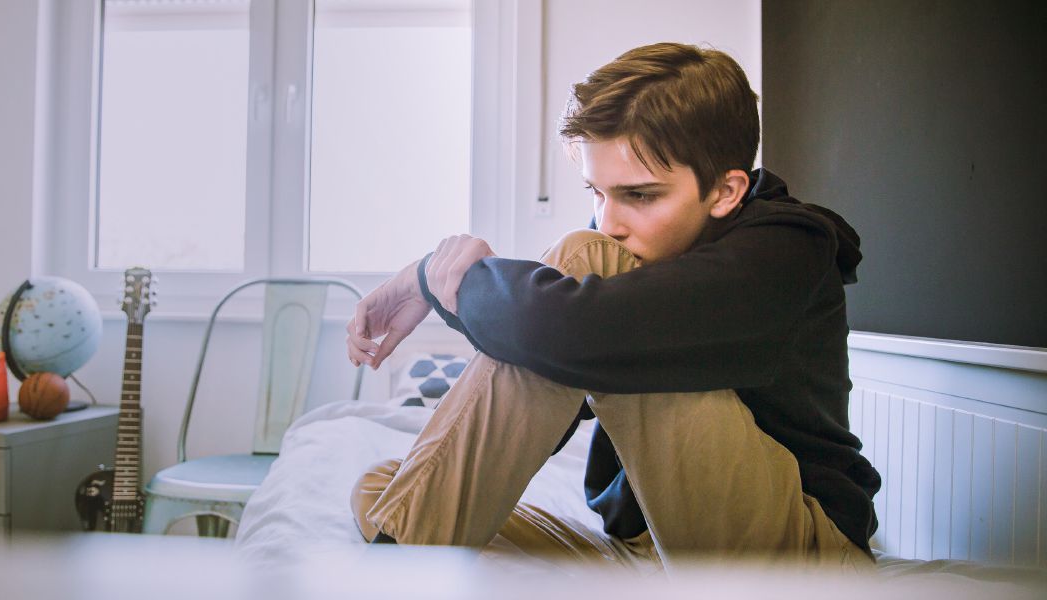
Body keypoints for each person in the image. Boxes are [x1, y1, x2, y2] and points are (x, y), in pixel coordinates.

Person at [343, 42, 880, 571]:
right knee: (384, 486)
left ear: (726, 191)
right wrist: (434, 280)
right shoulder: (645, 267)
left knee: (584, 257)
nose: (610, 221)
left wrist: (439, 283)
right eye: (596, 192)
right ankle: (411, 545)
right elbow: (539, 401)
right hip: (641, 544)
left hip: (800, 549)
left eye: (640, 195)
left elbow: (563, 330)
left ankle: (401, 572)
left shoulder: (788, 251)